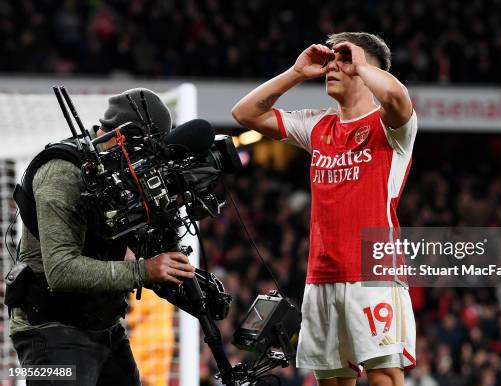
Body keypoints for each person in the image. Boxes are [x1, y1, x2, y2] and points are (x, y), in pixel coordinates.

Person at [232, 32, 417, 386]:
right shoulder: (318, 125)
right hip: (322, 273)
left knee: (384, 378)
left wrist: (360, 64)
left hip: (373, 271)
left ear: (366, 70)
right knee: (331, 381)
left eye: (344, 60)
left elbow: (396, 94)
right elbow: (244, 113)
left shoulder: (390, 126)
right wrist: (297, 73)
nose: (333, 67)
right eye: (331, 61)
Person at [8, 88, 196, 385]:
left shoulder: (119, 170)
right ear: (121, 137)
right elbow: (61, 270)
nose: (145, 162)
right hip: (48, 327)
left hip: (104, 324)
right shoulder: (62, 173)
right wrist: (144, 270)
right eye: (143, 150)